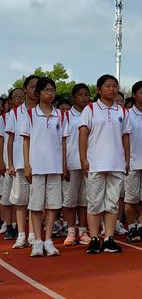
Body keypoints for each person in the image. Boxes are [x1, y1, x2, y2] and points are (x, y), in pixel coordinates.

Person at [79, 74, 131, 254]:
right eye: (108, 86)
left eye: (115, 86)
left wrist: (127, 159)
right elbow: (83, 134)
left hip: (116, 163)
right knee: (94, 203)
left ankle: (109, 238)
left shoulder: (122, 111)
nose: (112, 89)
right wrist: (83, 159)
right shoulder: (90, 109)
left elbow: (126, 136)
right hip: (95, 163)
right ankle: (94, 238)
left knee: (112, 203)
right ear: (99, 90)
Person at [21, 77, 68, 257]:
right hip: (37, 166)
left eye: (53, 90)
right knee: (36, 204)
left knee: (53, 205)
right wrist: (26, 165)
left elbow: (63, 142)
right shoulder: (31, 114)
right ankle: (37, 241)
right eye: (47, 90)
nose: (50, 93)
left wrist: (63, 165)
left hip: (55, 166)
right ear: (38, 93)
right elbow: (26, 141)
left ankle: (48, 240)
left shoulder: (61, 115)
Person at [7, 75, 39, 249]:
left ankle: (33, 234)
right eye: (32, 86)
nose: (35, 90)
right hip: (20, 163)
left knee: (36, 201)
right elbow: (10, 140)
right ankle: (21, 235)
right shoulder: (15, 112)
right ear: (25, 89)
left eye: (37, 87)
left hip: (39, 164)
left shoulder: (43, 111)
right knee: (20, 201)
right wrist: (10, 163)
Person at [62, 84, 91, 247]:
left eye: (86, 95)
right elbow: (63, 141)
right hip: (72, 162)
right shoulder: (66, 116)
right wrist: (64, 164)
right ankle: (71, 231)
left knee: (85, 200)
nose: (84, 98)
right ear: (74, 97)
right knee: (70, 199)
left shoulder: (91, 113)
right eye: (80, 95)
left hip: (88, 163)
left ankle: (83, 231)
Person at [124, 81, 142, 243]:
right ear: (134, 95)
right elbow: (124, 137)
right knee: (131, 197)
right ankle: (131, 226)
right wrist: (126, 159)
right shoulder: (127, 114)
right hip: (133, 161)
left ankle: (141, 225)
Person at [1, 88, 25, 240]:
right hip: (8, 162)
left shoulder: (28, 115)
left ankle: (17, 226)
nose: (19, 99)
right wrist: (3, 161)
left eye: (21, 96)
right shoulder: (4, 118)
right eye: (15, 97)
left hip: (22, 162)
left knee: (19, 197)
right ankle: (8, 225)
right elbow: (2, 140)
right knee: (6, 196)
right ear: (9, 101)